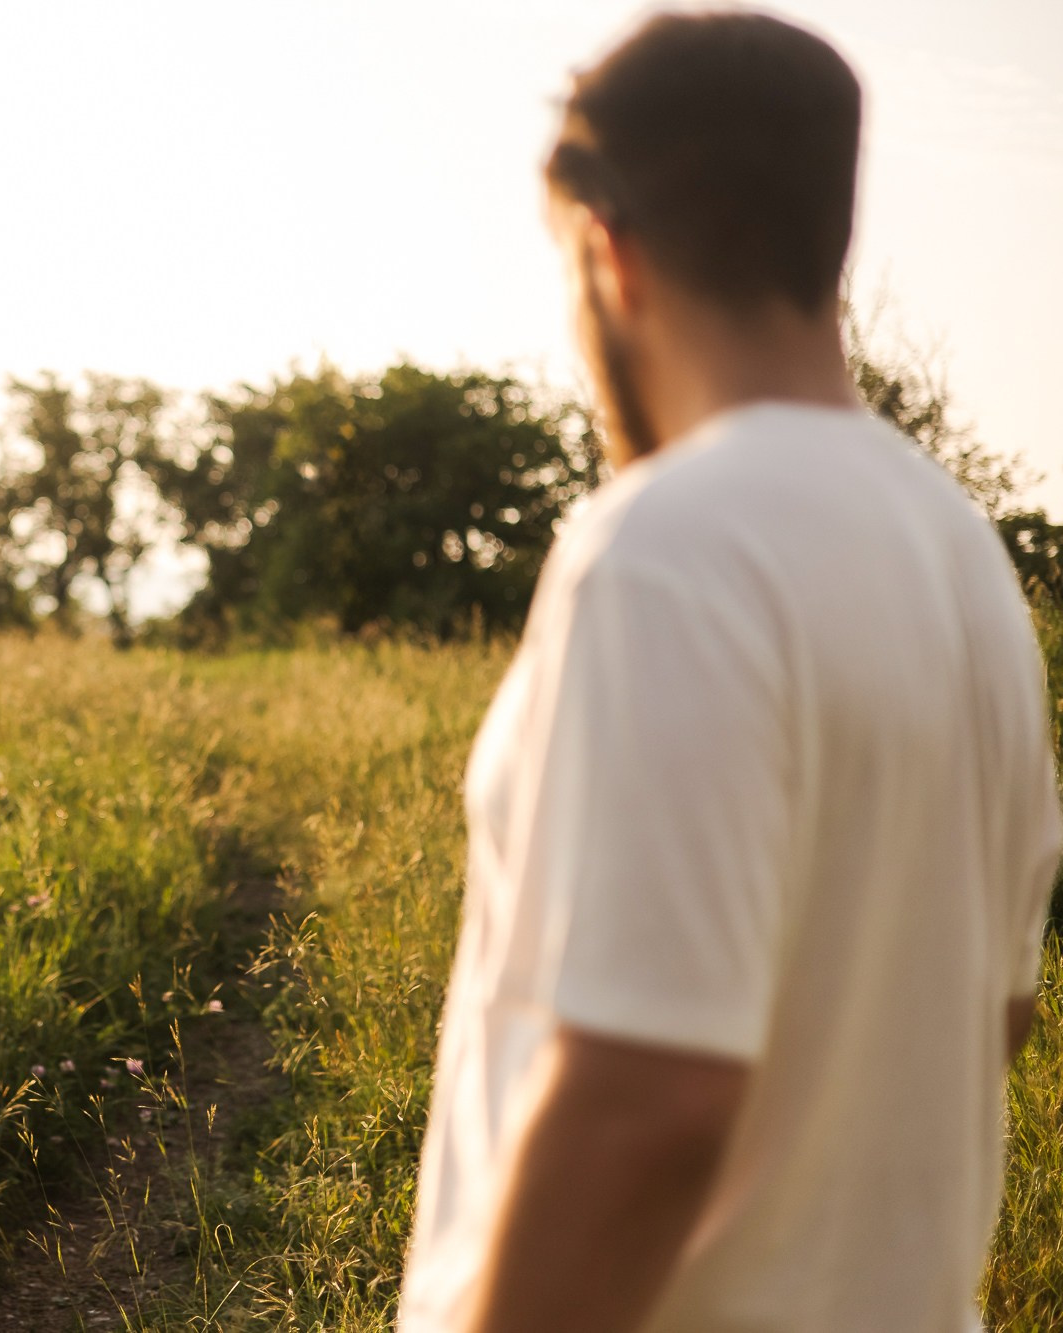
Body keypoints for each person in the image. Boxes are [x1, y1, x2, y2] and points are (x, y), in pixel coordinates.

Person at [397, 12, 1060, 1333]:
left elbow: (647, 1095)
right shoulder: (962, 553)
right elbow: (999, 1013)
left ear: (611, 252)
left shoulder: (664, 543)